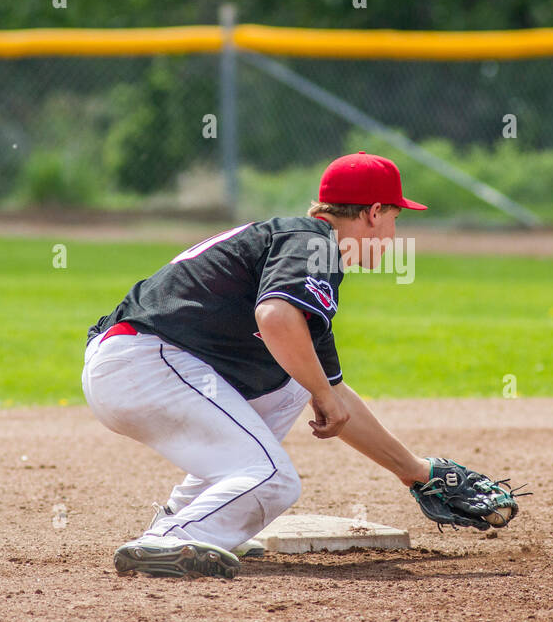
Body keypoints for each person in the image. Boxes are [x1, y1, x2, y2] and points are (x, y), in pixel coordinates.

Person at [83, 152, 444, 578]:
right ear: (374, 212)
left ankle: (185, 515)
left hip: (140, 364)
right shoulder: (312, 241)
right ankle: (170, 540)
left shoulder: (302, 254)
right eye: (396, 218)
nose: (395, 232)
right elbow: (275, 318)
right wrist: (323, 393)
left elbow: (332, 392)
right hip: (148, 362)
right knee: (274, 479)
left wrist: (417, 472)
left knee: (296, 380)